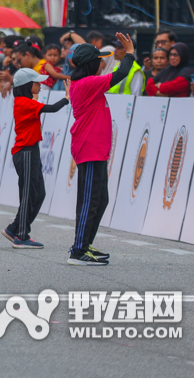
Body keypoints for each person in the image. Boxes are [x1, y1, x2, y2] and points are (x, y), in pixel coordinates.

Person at [67, 34, 135, 266]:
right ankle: (78, 250)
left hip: (94, 148)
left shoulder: (86, 83)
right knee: (89, 201)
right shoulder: (87, 84)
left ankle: (84, 244)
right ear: (90, 64)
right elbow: (121, 74)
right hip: (89, 148)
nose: (102, 63)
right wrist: (130, 53)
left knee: (100, 199)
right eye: (98, 60)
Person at [1, 67, 70, 248]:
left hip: (30, 150)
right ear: (27, 85)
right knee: (29, 194)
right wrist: (67, 98)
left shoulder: (25, 101)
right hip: (25, 152)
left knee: (38, 193)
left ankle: (14, 228)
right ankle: (21, 235)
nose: (40, 85)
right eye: (36, 82)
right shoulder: (24, 102)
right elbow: (53, 108)